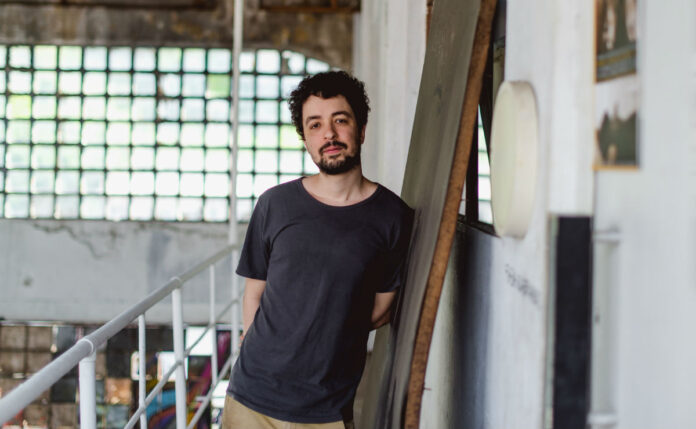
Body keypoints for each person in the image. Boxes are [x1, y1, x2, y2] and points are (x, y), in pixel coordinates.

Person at [220, 71, 414, 429]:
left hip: (326, 410)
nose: (329, 134)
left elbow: (380, 310)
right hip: (251, 401)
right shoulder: (274, 205)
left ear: (361, 129)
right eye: (315, 125)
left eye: (340, 120)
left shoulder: (393, 217)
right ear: (305, 138)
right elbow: (254, 294)